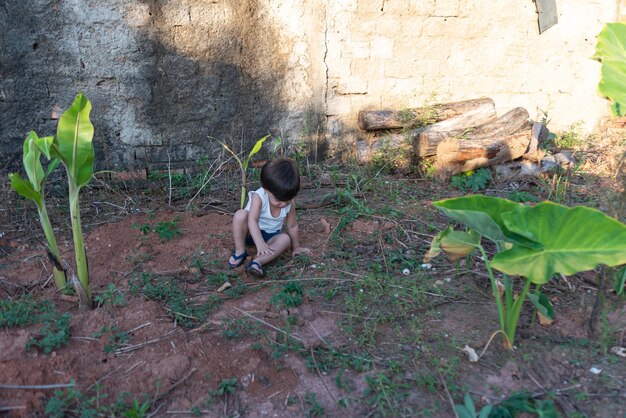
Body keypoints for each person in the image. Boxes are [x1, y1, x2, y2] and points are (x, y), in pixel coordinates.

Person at [227, 158, 310, 277]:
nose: (283, 204)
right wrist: (260, 244)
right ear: (266, 189)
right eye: (278, 200)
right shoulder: (259, 197)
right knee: (240, 215)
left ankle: (257, 262)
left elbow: (292, 226)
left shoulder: (289, 203)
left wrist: (296, 247)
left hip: (271, 237)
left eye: (286, 201)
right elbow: (252, 220)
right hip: (250, 233)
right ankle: (240, 251)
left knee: (285, 239)